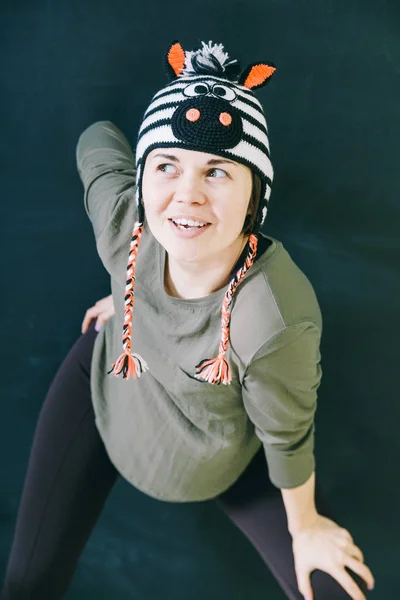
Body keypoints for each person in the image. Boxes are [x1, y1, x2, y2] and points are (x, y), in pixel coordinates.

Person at [1, 40, 375, 600]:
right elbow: (96, 139)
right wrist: (128, 298)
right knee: (26, 583)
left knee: (334, 589)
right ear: (144, 176)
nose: (186, 195)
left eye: (218, 171)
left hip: (230, 450)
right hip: (107, 393)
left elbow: (288, 433)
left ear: (255, 199)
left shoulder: (272, 315)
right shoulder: (126, 221)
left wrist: (306, 526)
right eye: (167, 165)